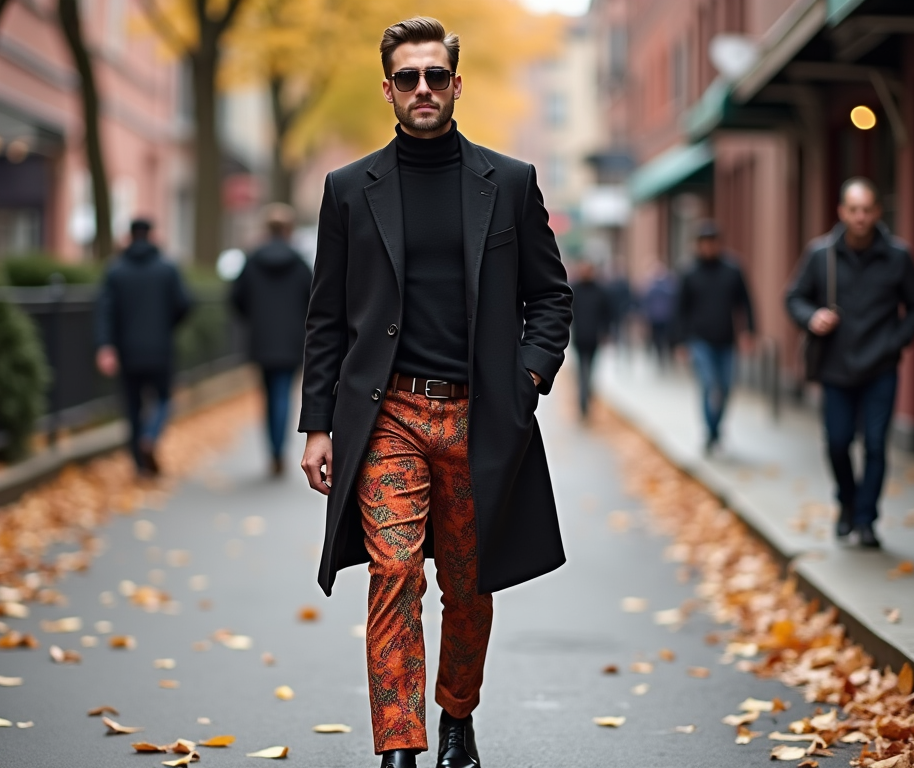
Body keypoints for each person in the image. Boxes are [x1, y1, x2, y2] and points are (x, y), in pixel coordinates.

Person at [297, 17, 572, 768]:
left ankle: (456, 717)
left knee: (468, 584)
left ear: (457, 83)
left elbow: (551, 299)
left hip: (482, 418)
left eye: (436, 76)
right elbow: (326, 315)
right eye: (408, 77)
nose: (424, 88)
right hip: (388, 416)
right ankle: (400, 744)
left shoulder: (508, 183)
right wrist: (317, 424)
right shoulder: (349, 189)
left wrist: (527, 380)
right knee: (392, 572)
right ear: (387, 88)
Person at [786, 178, 914, 548]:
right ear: (841, 212)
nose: (861, 217)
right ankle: (847, 503)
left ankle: (866, 519)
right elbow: (794, 297)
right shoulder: (821, 255)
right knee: (837, 443)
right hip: (835, 367)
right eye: (854, 210)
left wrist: (895, 343)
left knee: (877, 446)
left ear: (878, 212)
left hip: (880, 367)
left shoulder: (898, 256)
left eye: (867, 210)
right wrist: (811, 317)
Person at [95, 218, 191, 476]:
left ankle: (138, 463)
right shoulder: (167, 268)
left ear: (130, 236)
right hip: (160, 348)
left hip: (127, 351)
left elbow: (105, 310)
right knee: (162, 399)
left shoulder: (115, 270)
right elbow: (184, 304)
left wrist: (106, 345)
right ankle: (150, 436)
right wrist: (167, 324)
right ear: (151, 235)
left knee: (132, 406)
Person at [230, 203, 313, 476]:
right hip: (291, 340)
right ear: (288, 229)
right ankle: (279, 450)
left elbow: (237, 298)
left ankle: (272, 449)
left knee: (267, 394)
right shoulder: (300, 264)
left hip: (262, 338)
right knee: (283, 394)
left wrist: (254, 319)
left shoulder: (252, 261)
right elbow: (314, 301)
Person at [675, 220, 755, 454]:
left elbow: (746, 302)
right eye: (705, 243)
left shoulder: (733, 269)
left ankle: (716, 428)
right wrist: (680, 341)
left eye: (713, 242)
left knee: (727, 387)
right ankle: (710, 432)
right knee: (710, 386)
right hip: (699, 340)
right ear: (698, 245)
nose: (709, 247)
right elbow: (680, 309)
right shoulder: (689, 272)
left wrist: (749, 331)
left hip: (727, 340)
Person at [570, 260, 611, 418]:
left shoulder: (600, 291)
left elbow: (607, 313)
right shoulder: (574, 290)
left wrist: (605, 331)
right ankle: (583, 399)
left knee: (590, 370)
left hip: (594, 338)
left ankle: (587, 394)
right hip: (579, 338)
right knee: (582, 370)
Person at [642, 261, 677, 368]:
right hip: (660, 317)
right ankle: (662, 356)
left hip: (662, 316)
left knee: (661, 338)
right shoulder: (668, 284)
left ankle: (662, 356)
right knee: (660, 338)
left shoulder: (655, 285)